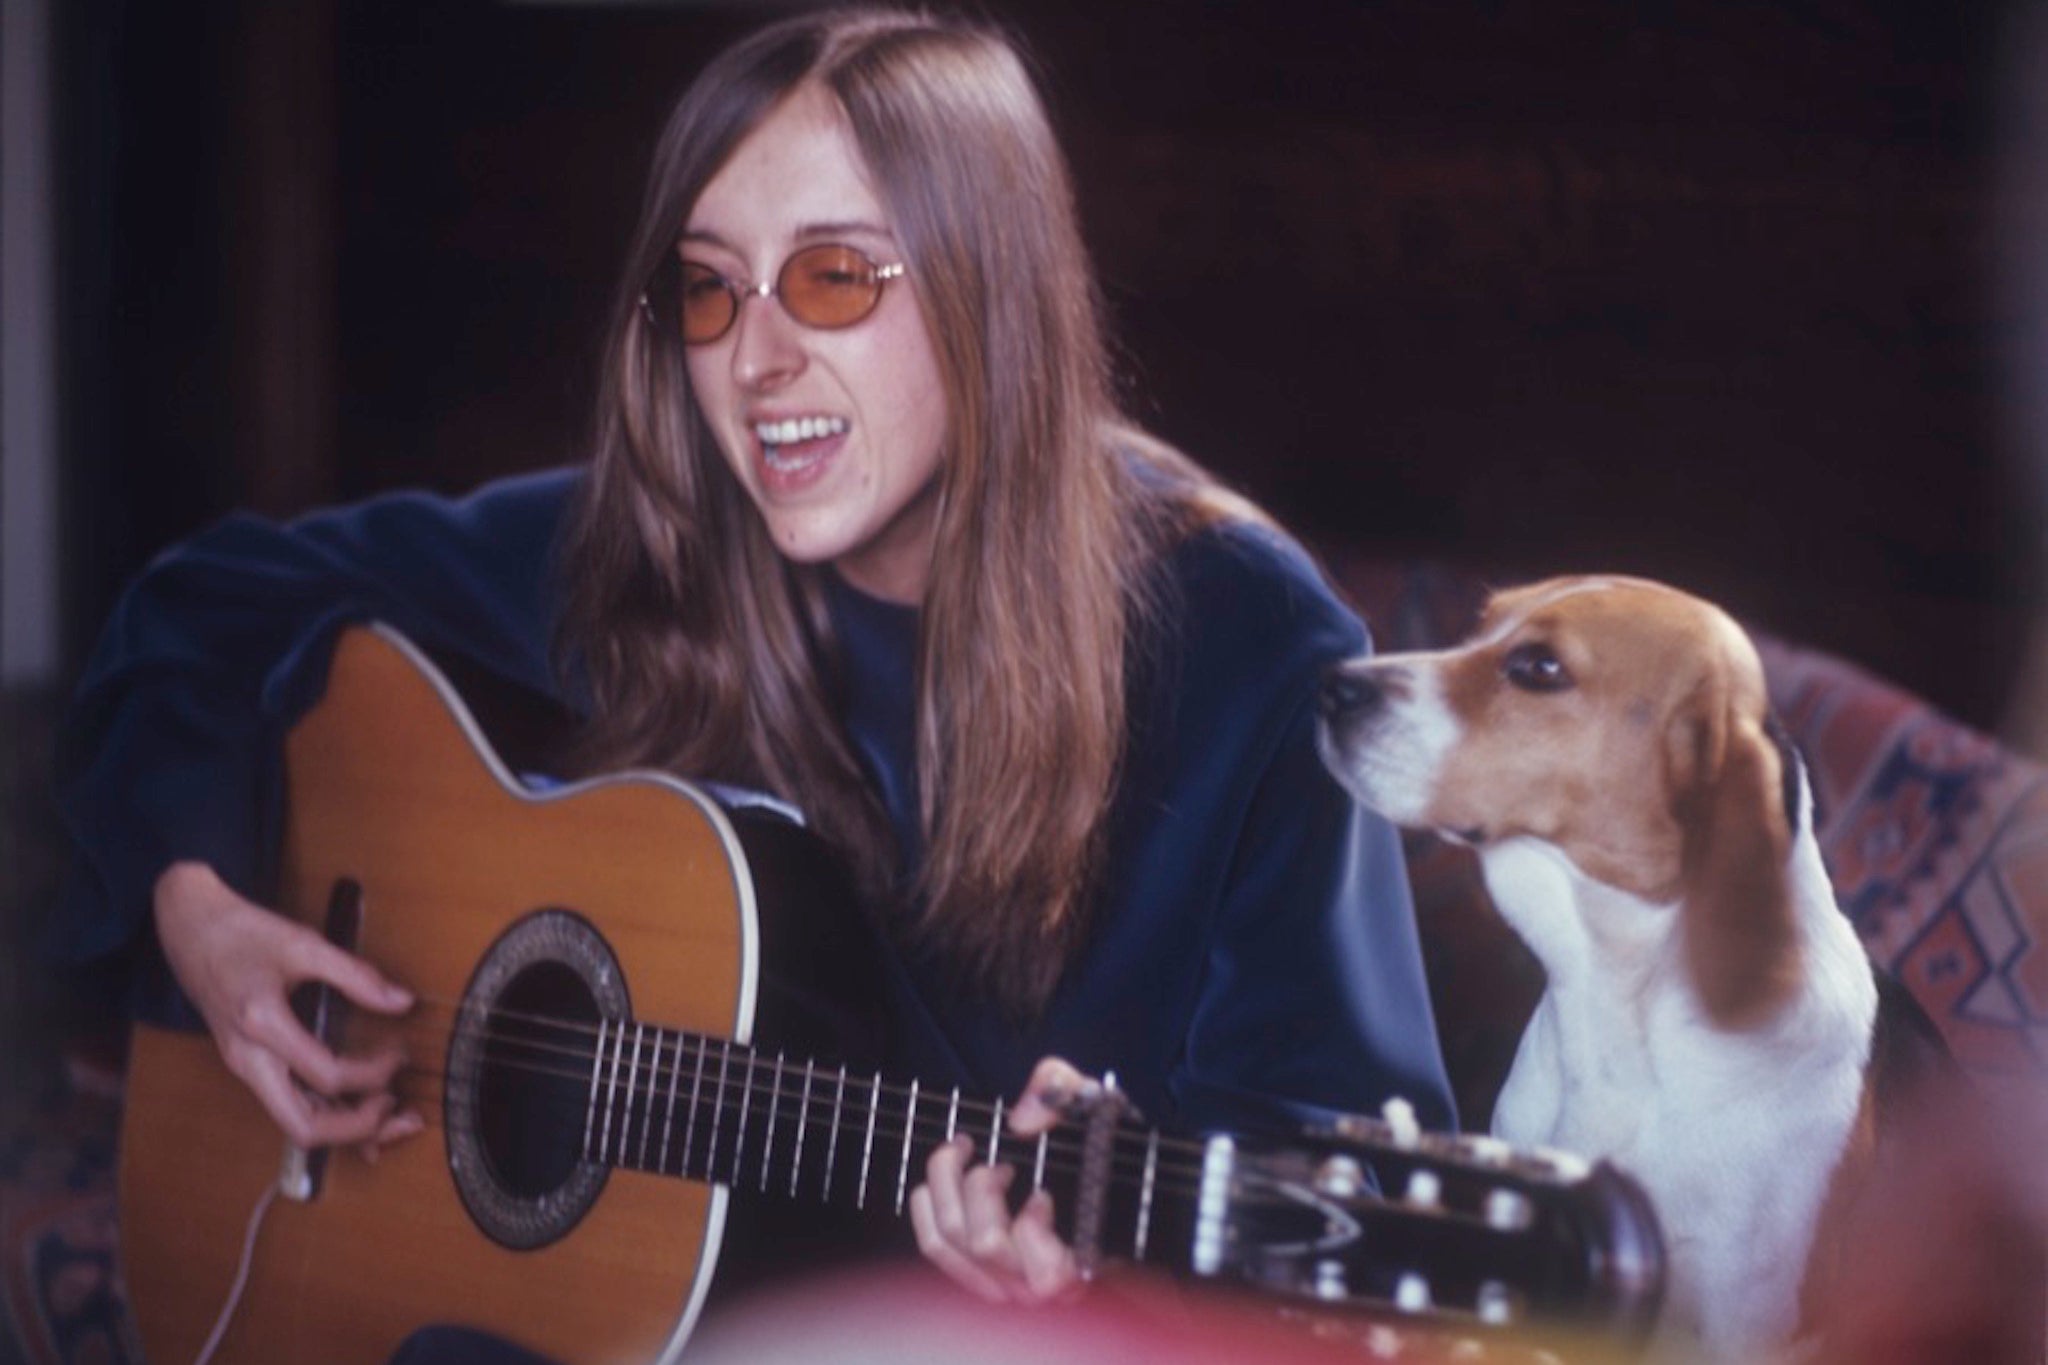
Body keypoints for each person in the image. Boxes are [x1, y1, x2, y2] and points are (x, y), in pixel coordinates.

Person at [51, 3, 1454, 1353]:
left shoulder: (1257, 656)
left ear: (989, 290)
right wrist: (201, 912)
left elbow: (1329, 1220)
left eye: (835, 276)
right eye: (708, 288)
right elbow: (207, 601)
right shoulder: (669, 541)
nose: (753, 359)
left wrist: (1092, 1283)